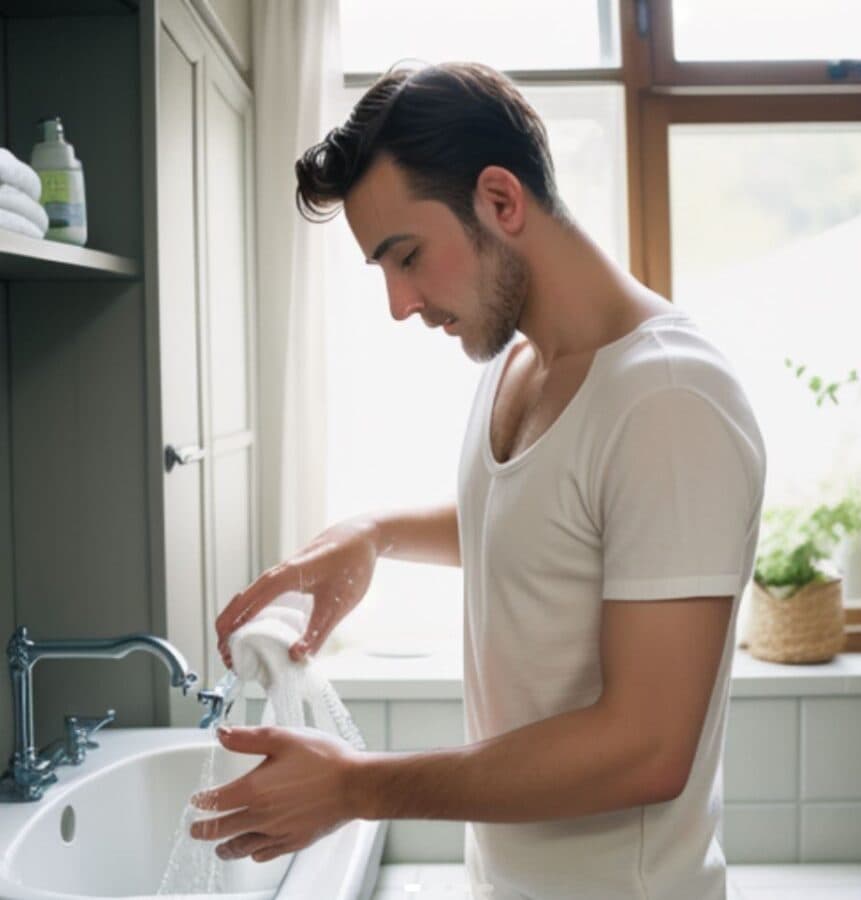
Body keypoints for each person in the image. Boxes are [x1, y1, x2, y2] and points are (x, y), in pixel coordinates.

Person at [190, 62, 766, 900]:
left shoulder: (670, 399)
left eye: (407, 256)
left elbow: (646, 749)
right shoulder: (519, 364)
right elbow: (545, 528)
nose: (397, 303)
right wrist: (376, 533)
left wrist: (357, 785)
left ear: (500, 200)